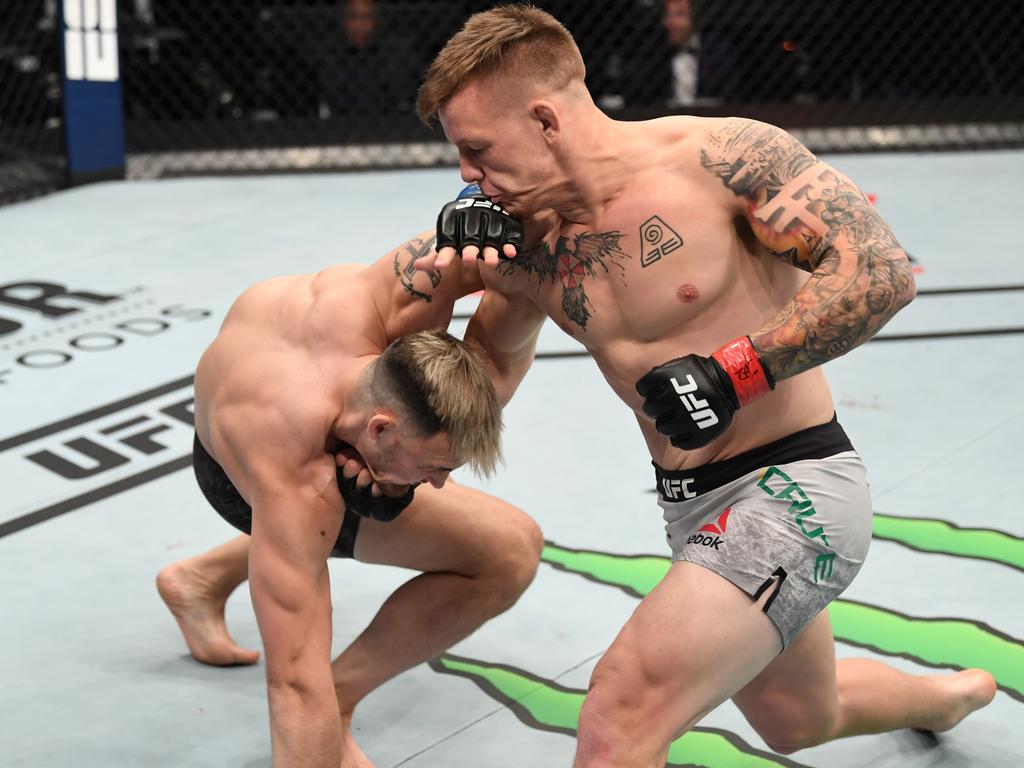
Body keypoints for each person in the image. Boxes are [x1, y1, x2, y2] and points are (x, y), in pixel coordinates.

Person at [413, 5, 997, 766]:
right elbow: (487, 370)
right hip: (693, 507)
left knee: (618, 721)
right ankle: (949, 697)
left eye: (476, 149)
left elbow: (878, 271)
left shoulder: (721, 158)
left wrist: (735, 370)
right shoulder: (529, 241)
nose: (466, 173)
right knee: (798, 719)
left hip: (794, 487)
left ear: (546, 119)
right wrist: (455, 278)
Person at [156, 238, 544, 767]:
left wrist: (482, 206)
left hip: (248, 395)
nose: (435, 485)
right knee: (507, 554)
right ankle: (339, 698)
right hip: (237, 472)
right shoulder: (302, 486)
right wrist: (318, 722)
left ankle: (201, 578)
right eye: (433, 467)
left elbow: (516, 257)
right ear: (380, 429)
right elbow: (293, 684)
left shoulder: (406, 289)